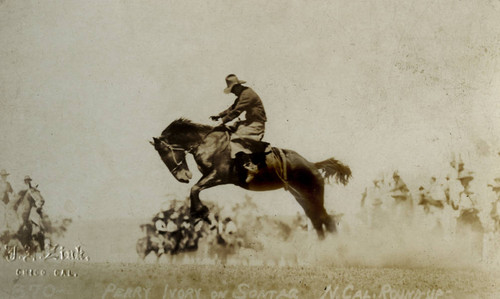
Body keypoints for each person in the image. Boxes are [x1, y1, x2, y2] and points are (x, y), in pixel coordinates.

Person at [210, 74, 268, 183]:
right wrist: (219, 115)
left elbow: (237, 111)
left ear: (237, 86)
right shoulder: (243, 94)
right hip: (248, 122)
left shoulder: (247, 94)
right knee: (228, 131)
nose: (232, 93)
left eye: (232, 90)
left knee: (236, 138)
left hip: (256, 124)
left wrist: (222, 121)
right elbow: (233, 107)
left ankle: (251, 167)